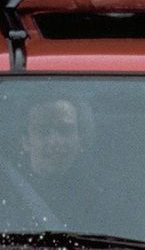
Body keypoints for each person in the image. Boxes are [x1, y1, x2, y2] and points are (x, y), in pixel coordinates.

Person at [9, 95, 102, 228]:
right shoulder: (2, 195)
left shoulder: (103, 198)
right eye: (43, 131)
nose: (54, 141)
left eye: (65, 130)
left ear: (81, 139)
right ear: (25, 141)